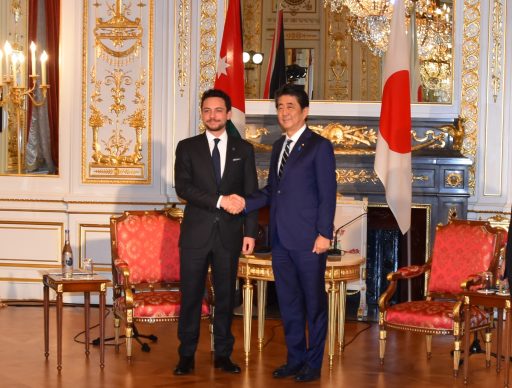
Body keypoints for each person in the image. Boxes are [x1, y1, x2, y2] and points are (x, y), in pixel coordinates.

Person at [234, 83, 337, 382]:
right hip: (280, 241)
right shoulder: (279, 146)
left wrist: (324, 234)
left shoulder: (319, 146)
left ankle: (313, 366)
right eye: (280, 106)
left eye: (290, 106)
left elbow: (327, 195)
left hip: (309, 241)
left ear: (305, 112)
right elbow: (273, 191)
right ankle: (295, 360)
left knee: (314, 305)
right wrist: (243, 202)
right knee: (289, 304)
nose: (284, 112)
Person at [173, 88, 258, 375]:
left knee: (225, 297)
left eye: (218, 110)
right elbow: (183, 188)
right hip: (196, 235)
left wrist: (250, 232)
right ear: (202, 114)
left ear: (228, 114)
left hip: (230, 236)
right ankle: (186, 355)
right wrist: (221, 201)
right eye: (207, 110)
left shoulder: (243, 149)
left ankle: (223, 354)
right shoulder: (187, 147)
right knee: (191, 297)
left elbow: (251, 193)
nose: (213, 115)